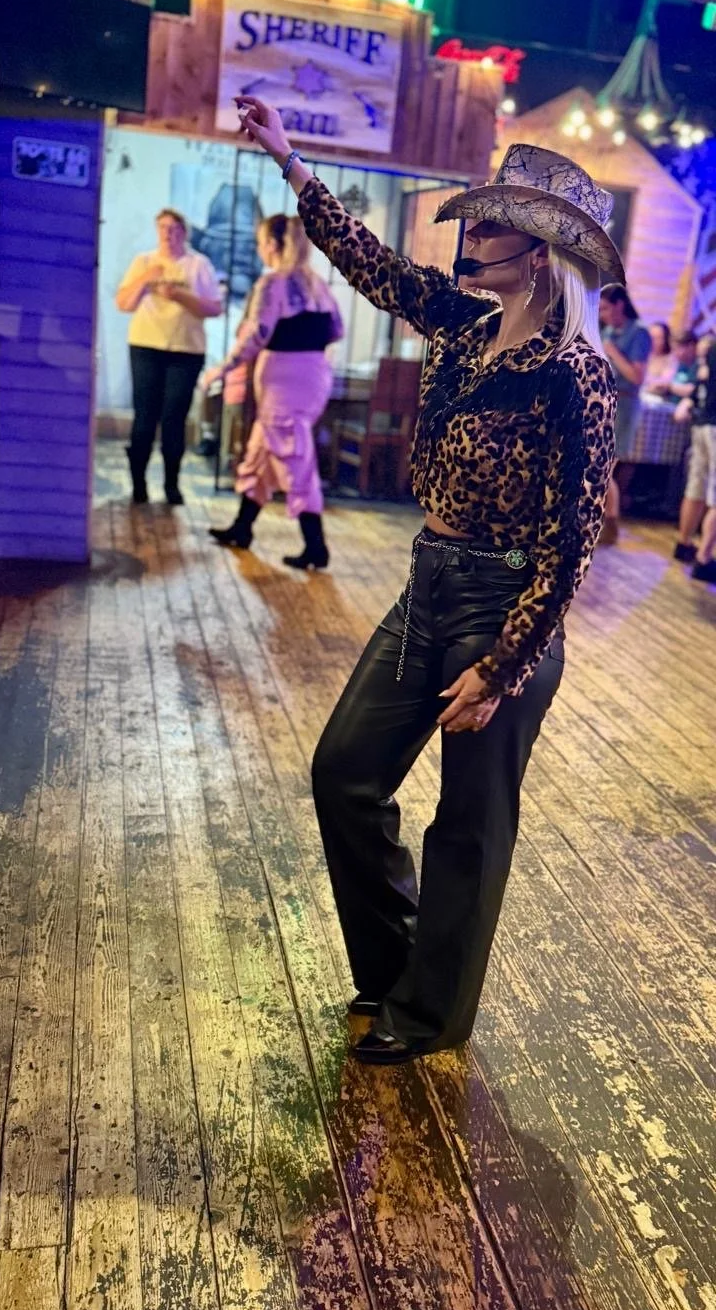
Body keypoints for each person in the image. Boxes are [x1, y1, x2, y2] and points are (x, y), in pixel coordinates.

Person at [235, 94, 617, 1065]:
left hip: (505, 604)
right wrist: (290, 161)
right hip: (428, 584)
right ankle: (396, 968)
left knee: (469, 822)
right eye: (476, 220)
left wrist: (504, 663)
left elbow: (573, 538)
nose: (471, 234)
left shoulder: (573, 372)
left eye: (493, 224)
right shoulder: (461, 321)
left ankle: (432, 1011)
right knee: (345, 772)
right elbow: (369, 261)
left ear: (540, 254)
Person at [205, 212, 344, 569]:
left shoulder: (273, 283)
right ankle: (242, 527)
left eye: (260, 243)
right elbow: (337, 329)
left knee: (294, 457)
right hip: (311, 375)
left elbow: (257, 335)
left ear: (272, 244)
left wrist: (222, 369)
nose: (259, 249)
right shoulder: (317, 285)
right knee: (261, 450)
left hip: (284, 380)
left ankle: (316, 546)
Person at [115, 208, 223, 505]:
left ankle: (171, 485)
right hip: (146, 346)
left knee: (174, 419)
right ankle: (138, 484)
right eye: (163, 228)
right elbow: (123, 303)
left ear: (184, 233)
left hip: (185, 351)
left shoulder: (199, 265)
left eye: (174, 229)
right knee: (144, 417)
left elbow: (214, 308)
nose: (168, 234)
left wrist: (179, 296)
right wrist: (146, 279)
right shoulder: (144, 261)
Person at [599, 282, 652, 544]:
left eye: (606, 309)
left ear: (620, 305)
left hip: (626, 404)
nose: (602, 315)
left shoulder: (639, 332)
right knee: (600, 466)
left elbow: (637, 377)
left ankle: (610, 523)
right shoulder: (609, 331)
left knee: (606, 467)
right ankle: (607, 522)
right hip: (606, 402)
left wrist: (613, 353)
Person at [673, 333, 716, 579]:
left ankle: (684, 543)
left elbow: (702, 384)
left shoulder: (711, 348)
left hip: (702, 422)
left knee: (696, 487)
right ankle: (704, 557)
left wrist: (688, 402)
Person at [642, 321, 675, 394]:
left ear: (666, 339)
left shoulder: (673, 359)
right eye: (650, 337)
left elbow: (667, 385)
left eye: (658, 338)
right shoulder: (641, 357)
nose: (652, 341)